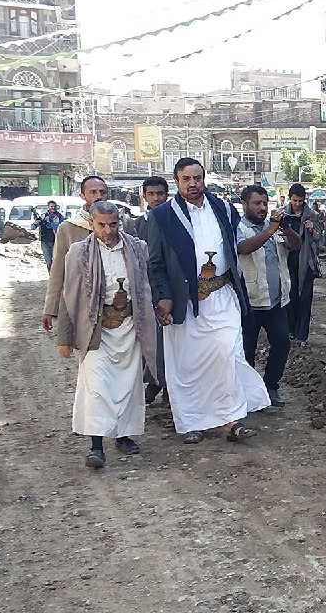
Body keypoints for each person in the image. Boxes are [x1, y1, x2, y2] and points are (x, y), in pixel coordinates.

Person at [145, 158, 270, 444]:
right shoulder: (162, 216)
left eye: (197, 178)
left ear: (204, 178)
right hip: (185, 300)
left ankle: (231, 419)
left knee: (229, 354)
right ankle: (191, 422)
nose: (193, 184)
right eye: (186, 179)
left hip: (223, 294)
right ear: (177, 181)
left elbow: (236, 245)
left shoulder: (223, 208)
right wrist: (163, 297)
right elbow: (155, 263)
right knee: (187, 364)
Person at [55, 201, 158, 469]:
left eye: (113, 224)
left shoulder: (136, 248)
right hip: (96, 329)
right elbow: (70, 296)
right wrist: (64, 337)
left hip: (129, 326)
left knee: (127, 385)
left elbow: (146, 285)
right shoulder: (79, 253)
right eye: (101, 225)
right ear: (92, 224)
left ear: (119, 222)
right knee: (97, 387)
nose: (107, 230)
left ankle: (124, 437)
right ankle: (96, 447)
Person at [237, 185, 303, 407]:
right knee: (247, 351)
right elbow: (244, 249)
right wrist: (270, 231)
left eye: (265, 203)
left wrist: (286, 230)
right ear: (245, 204)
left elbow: (296, 246)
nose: (262, 208)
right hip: (250, 302)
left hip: (276, 301)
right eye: (257, 203)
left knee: (282, 344)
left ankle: (271, 386)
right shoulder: (239, 228)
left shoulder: (274, 227)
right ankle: (247, 394)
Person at [43, 176, 109, 332]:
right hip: (83, 303)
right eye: (92, 192)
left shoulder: (121, 223)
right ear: (82, 196)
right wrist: (50, 308)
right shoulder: (68, 228)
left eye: (102, 192)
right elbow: (58, 270)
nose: (98, 196)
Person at [125, 176, 170, 404]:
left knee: (170, 342)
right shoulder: (136, 225)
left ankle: (168, 389)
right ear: (144, 196)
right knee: (151, 341)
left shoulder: (175, 221)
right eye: (151, 194)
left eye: (160, 194)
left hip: (170, 291)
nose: (156, 198)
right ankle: (153, 381)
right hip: (146, 291)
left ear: (167, 194)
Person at [283, 184, 321, 348]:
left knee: (305, 299)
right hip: (287, 260)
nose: (297, 204)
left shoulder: (312, 215)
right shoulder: (282, 213)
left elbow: (319, 238)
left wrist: (312, 230)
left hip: (307, 261)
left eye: (300, 201)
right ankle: (291, 330)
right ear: (290, 198)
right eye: (295, 200)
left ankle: (302, 334)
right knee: (289, 298)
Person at [32, 200, 66, 272]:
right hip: (45, 241)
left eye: (54, 206)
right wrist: (36, 223)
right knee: (48, 261)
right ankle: (51, 276)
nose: (53, 208)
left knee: (56, 261)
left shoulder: (59, 217)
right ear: (48, 207)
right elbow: (33, 227)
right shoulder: (43, 216)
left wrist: (50, 222)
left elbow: (58, 227)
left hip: (56, 241)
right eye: (51, 206)